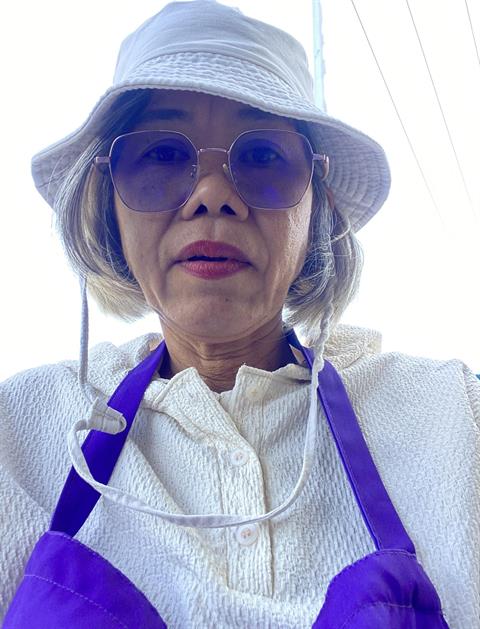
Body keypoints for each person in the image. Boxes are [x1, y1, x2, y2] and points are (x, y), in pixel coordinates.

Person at [0, 1, 478, 627]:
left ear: (317, 207)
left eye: (262, 157)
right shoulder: (18, 433)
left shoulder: (455, 418)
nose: (213, 195)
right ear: (107, 203)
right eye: (161, 155)